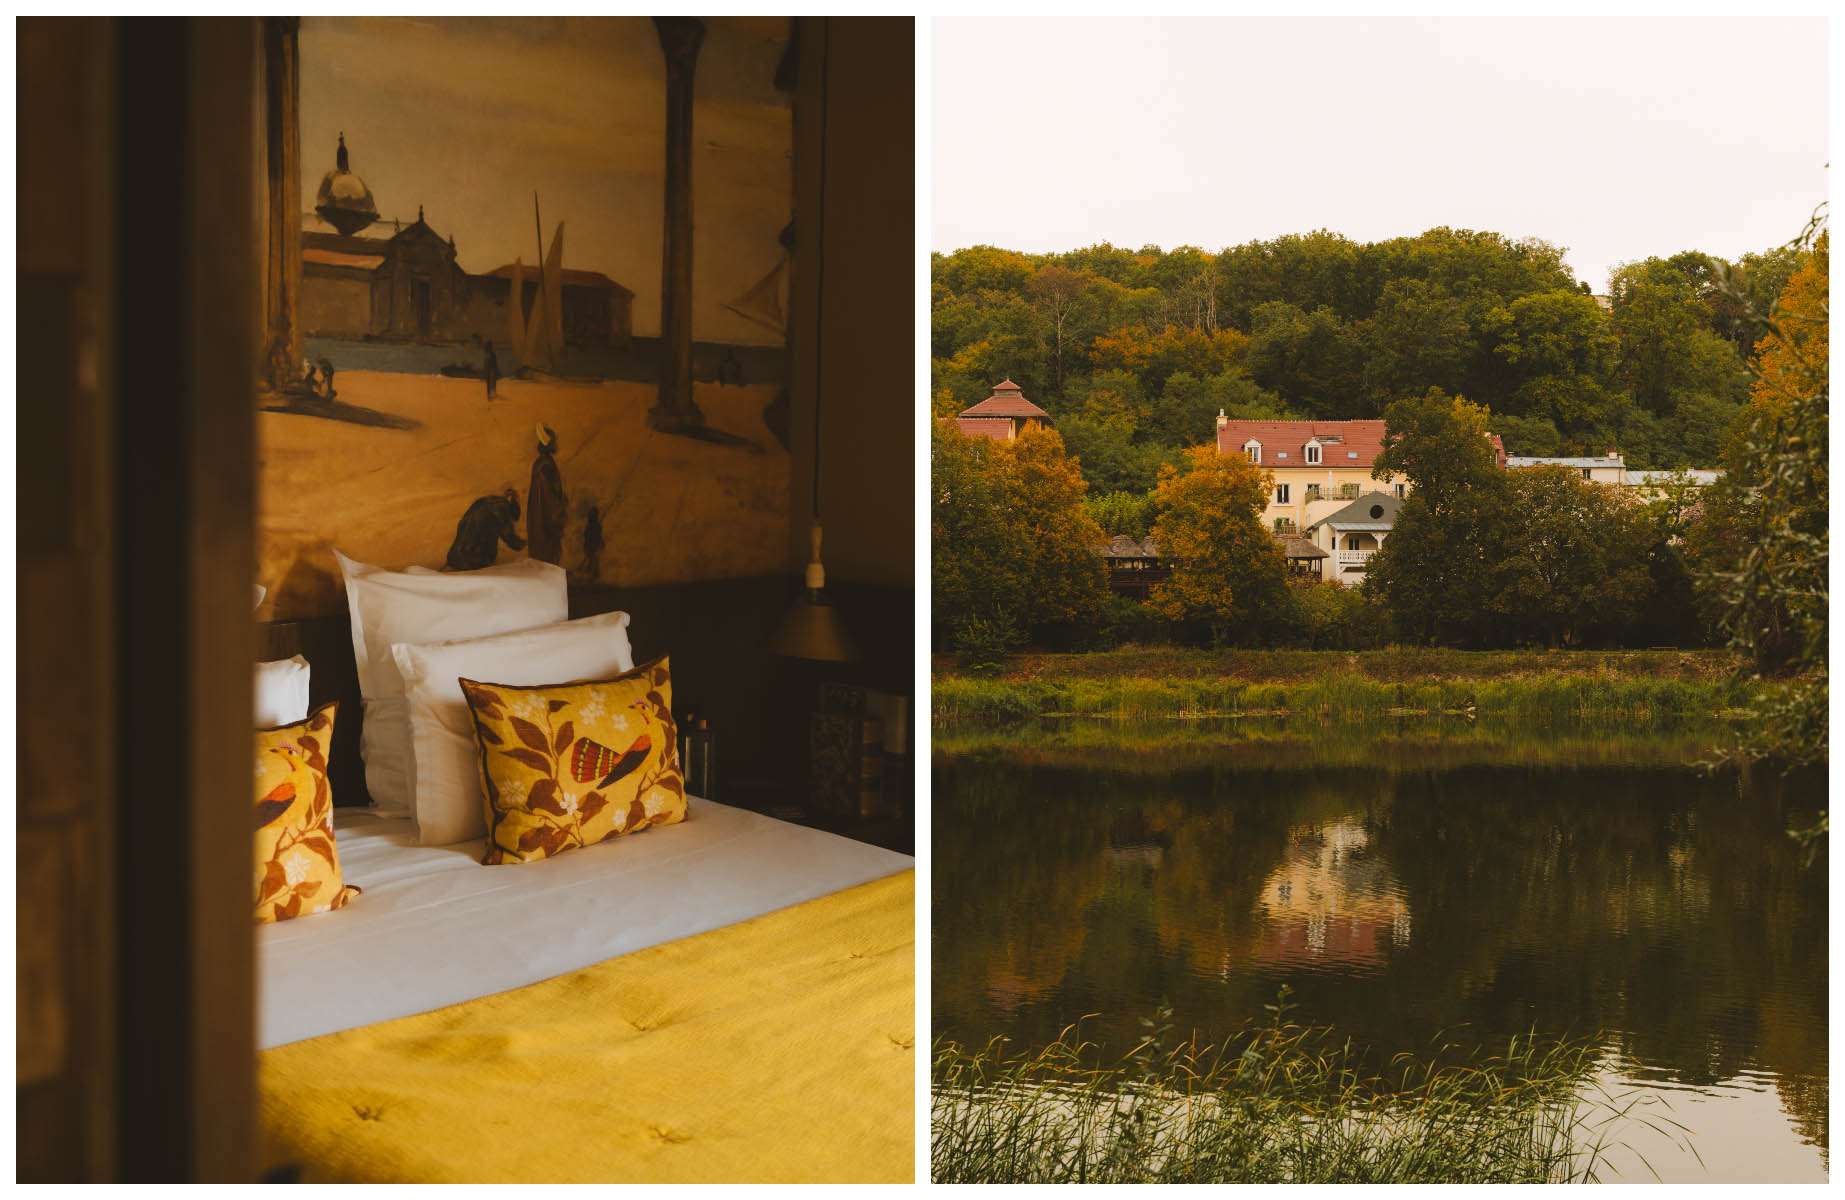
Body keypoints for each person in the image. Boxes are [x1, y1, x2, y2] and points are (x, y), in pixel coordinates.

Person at [444, 488, 524, 570]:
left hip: (455, 556)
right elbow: (510, 538)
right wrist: (526, 544)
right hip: (471, 561)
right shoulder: (502, 509)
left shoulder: (487, 501)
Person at [527, 422, 566, 564]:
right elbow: (548, 498)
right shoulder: (546, 466)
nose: (556, 444)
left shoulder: (541, 463)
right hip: (546, 522)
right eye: (554, 441)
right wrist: (560, 506)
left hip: (541, 520)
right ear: (548, 444)